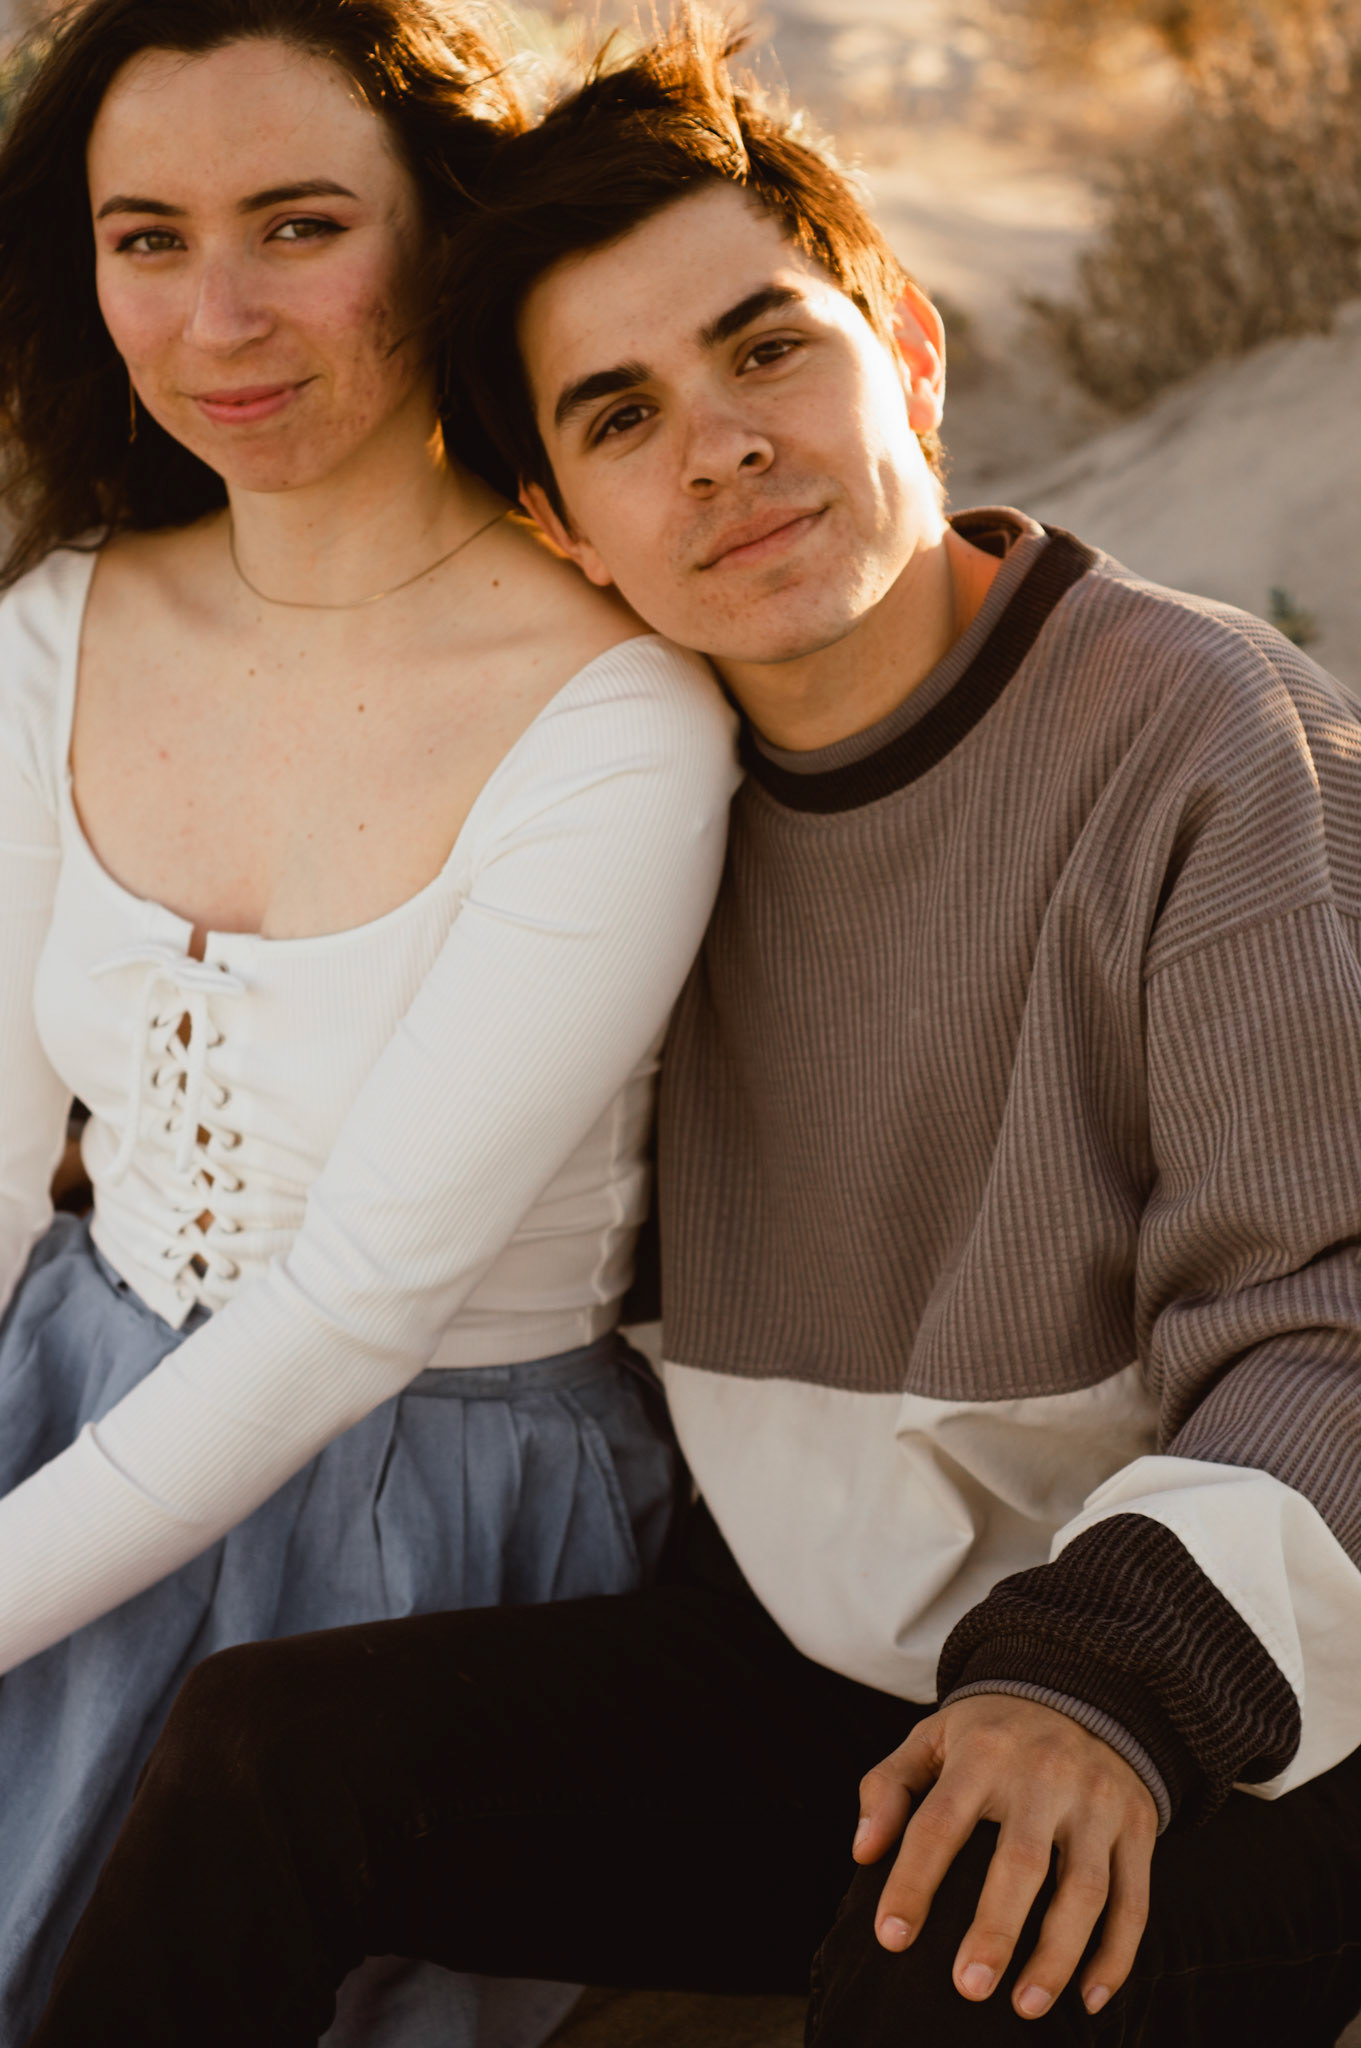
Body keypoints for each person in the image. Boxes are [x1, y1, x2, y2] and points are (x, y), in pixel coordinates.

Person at [26, 15, 1361, 2047]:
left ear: (907, 347)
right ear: (562, 518)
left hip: (1233, 1696)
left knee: (945, 1972)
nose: (719, 450)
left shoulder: (1206, 738)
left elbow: (1333, 1312)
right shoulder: (659, 782)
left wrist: (1102, 1682)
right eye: (620, 415)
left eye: (765, 351)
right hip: (831, 1664)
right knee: (266, 1756)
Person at [0, 2, 738, 2042]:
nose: (218, 317)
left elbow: (350, 1314)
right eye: (147, 239)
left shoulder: (614, 721)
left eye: (299, 224)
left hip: (414, 1512)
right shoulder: (58, 622)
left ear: (445, 231)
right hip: (59, 1394)